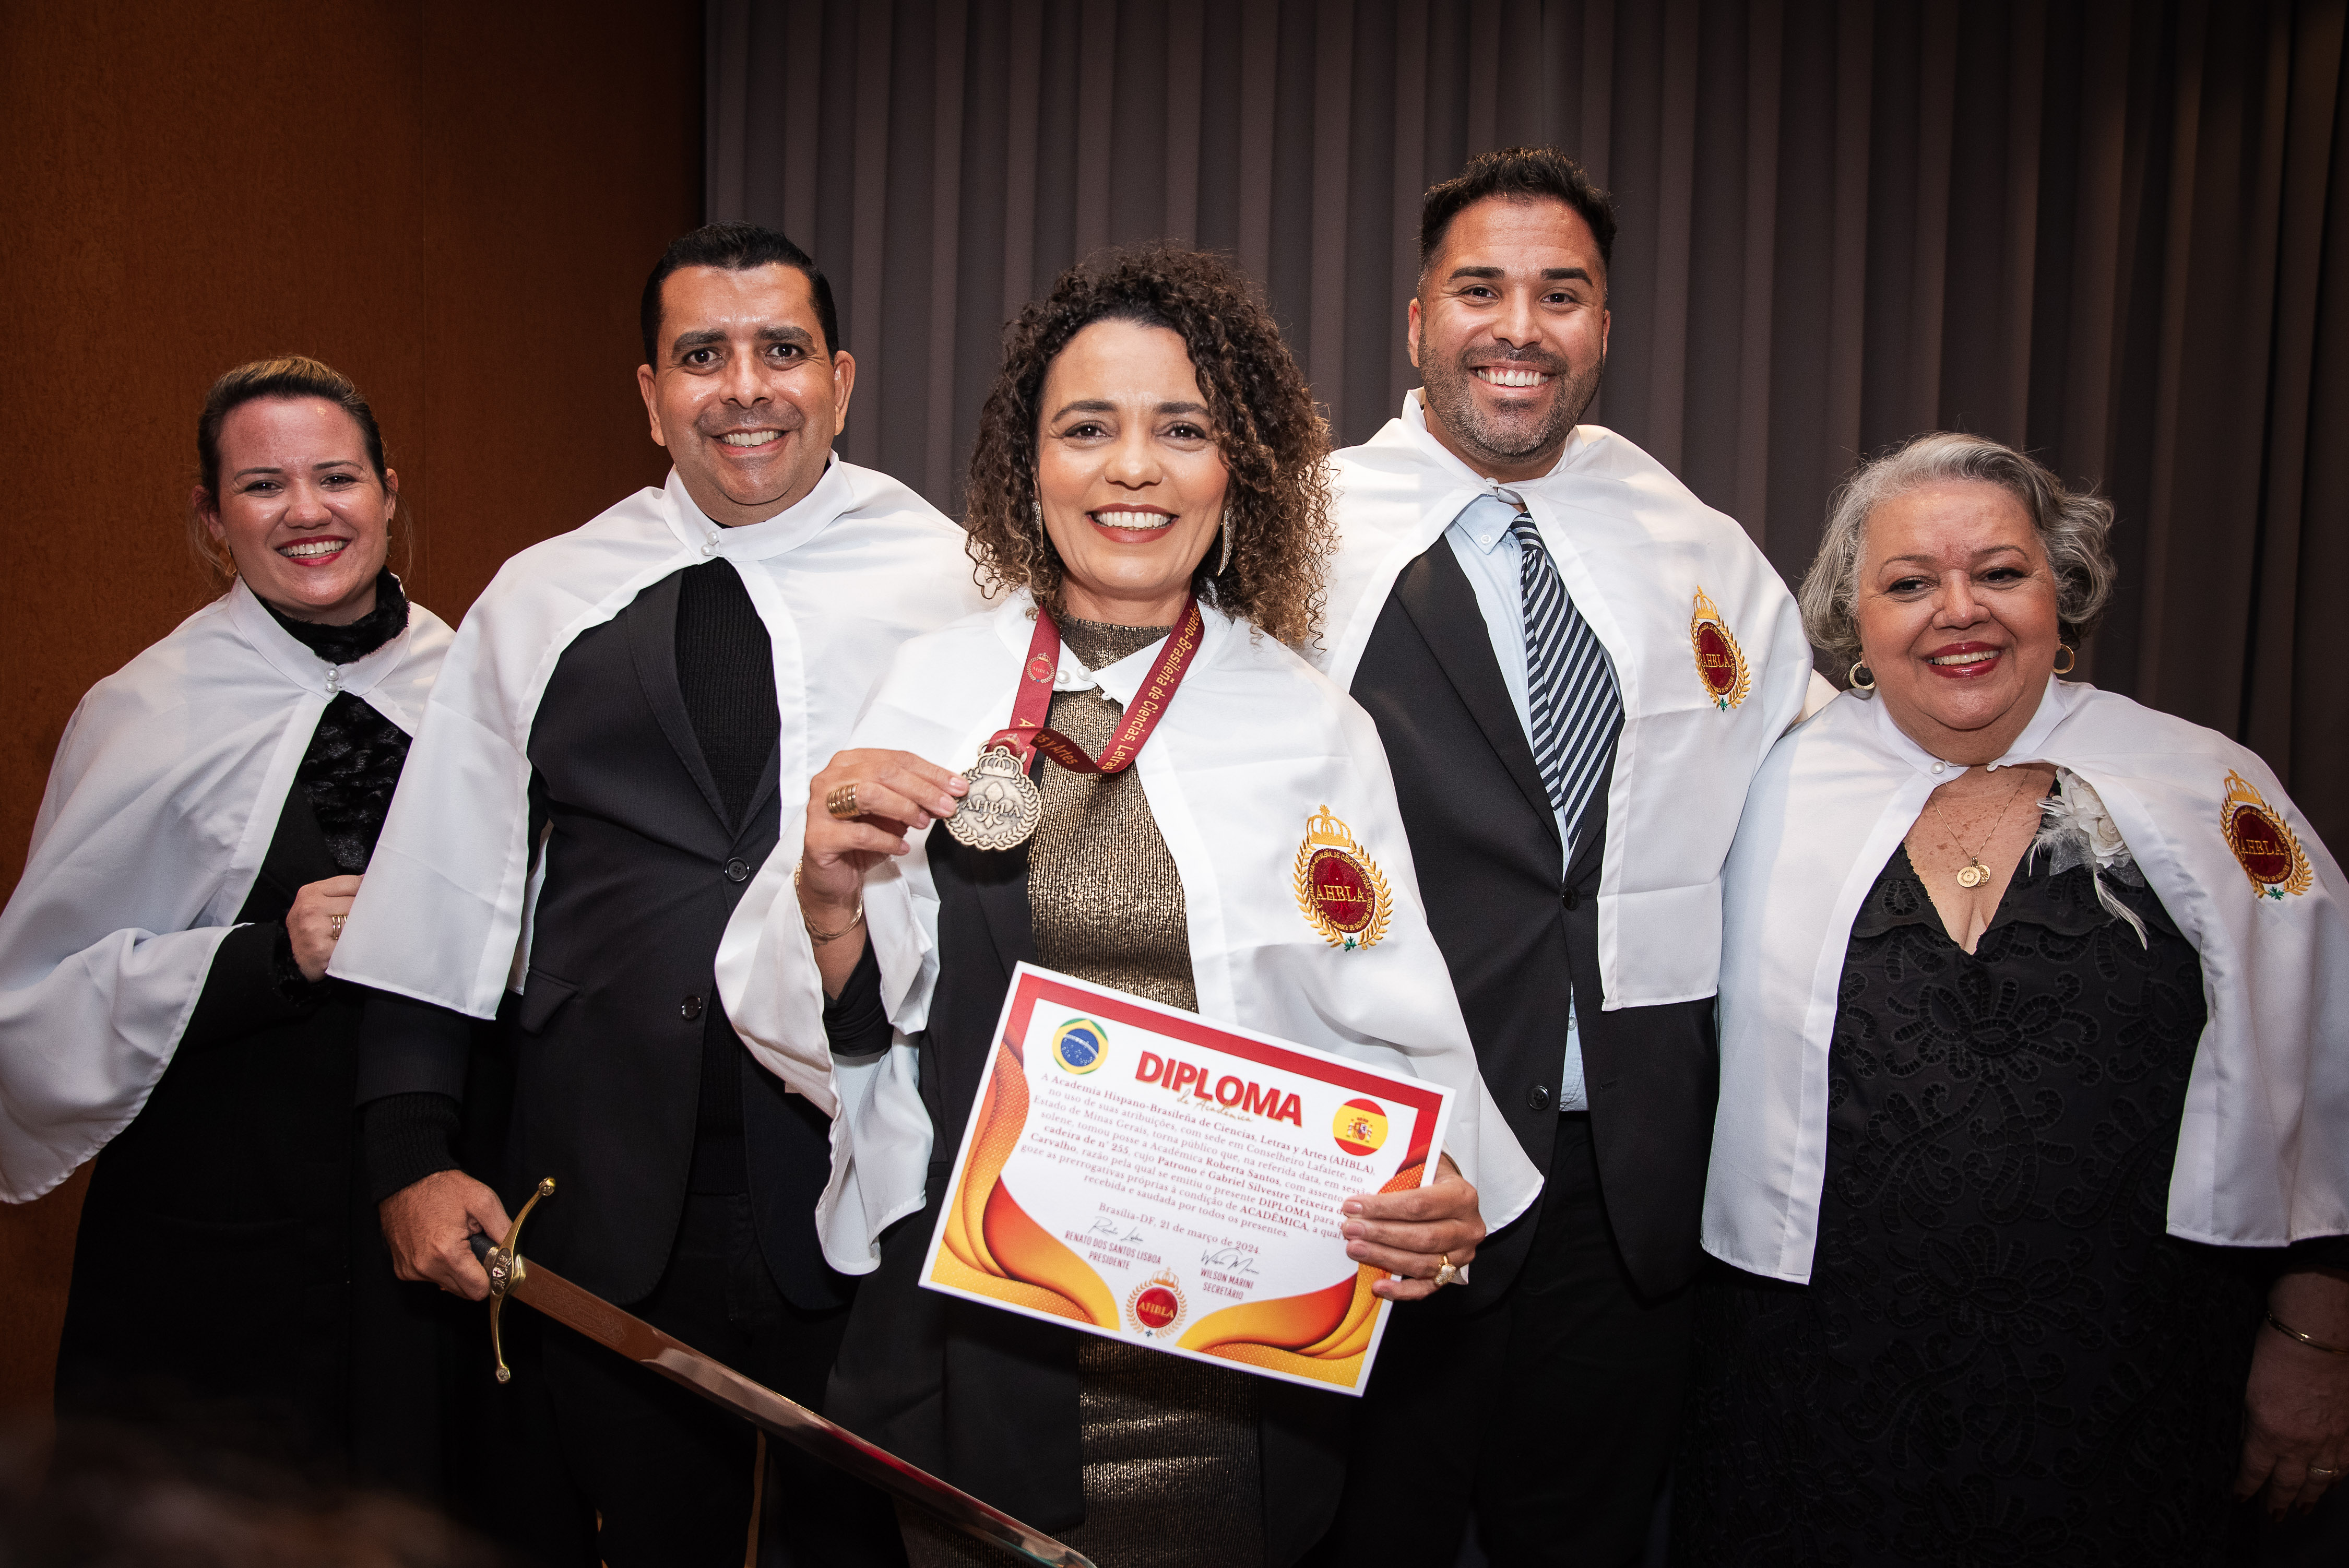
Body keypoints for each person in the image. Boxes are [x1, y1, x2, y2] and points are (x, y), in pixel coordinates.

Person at [725, 245, 1539, 1568]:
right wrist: (823, 895)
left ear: (1241, 467)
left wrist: (1437, 1187)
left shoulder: (1311, 724)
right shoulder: (929, 688)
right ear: (1026, 465)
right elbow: (842, 1031)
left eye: (1183, 429)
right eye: (1087, 428)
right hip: (986, 1331)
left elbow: (1397, 1035)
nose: (1133, 470)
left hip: (1239, 1347)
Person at [326, 223, 982, 1565]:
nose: (745, 387)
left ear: (843, 381)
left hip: (878, 1173)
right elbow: (443, 879)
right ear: (648, 394)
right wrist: (411, 1147)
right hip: (610, 1187)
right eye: (702, 356)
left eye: (781, 350)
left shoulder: (959, 583)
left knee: (864, 1547)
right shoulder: (545, 594)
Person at [1679, 433, 2349, 1564]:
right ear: (1856, 615)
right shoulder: (1764, 789)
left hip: (2138, 1373)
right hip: (1825, 1380)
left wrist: (2317, 1330)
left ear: (2060, 591)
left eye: (1999, 571)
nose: (1959, 610)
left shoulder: (2206, 785)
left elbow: (2324, 1057)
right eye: (1909, 582)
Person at [1302, 148, 1823, 1565]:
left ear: (1603, 327)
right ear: (1416, 320)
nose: (1518, 327)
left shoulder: (1697, 543)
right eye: (1480, 288)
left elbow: (1814, 780)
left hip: (1626, 1182)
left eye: (1561, 294)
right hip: (1387, 1175)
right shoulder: (1294, 531)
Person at [0, 358, 455, 1480]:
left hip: (425, 1233)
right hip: (214, 1248)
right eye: (262, 485)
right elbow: (37, 999)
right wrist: (271, 955)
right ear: (213, 520)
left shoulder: (473, 682)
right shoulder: (145, 709)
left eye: (336, 476)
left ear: (389, 494)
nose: (307, 510)